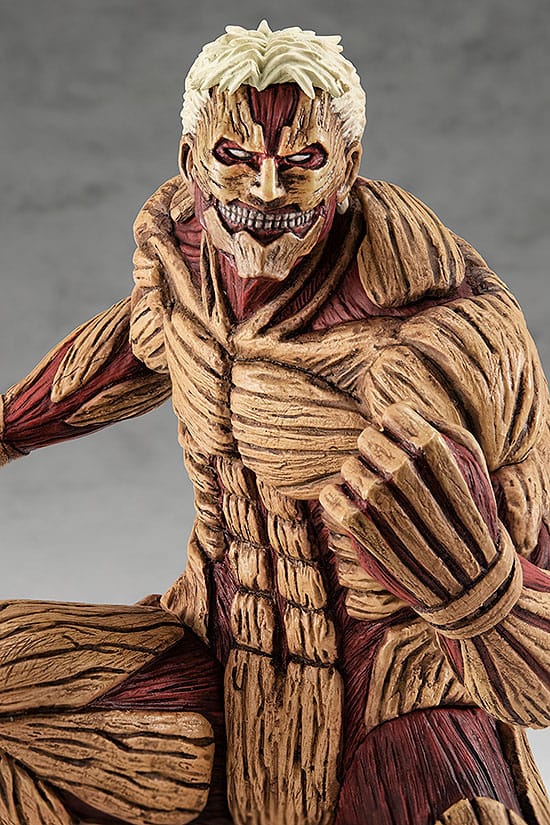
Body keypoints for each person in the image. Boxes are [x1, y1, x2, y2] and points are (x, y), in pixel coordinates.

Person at [0, 20, 549, 825]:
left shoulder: (436, 333)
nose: (263, 192)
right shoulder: (187, 264)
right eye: (234, 157)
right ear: (190, 159)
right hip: (220, 650)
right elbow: (137, 339)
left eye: (301, 163)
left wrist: (481, 591)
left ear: (347, 167)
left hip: (392, 695)